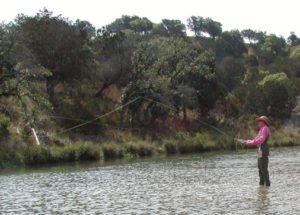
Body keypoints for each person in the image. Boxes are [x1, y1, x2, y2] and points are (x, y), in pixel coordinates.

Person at [237, 116, 271, 187]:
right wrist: (246, 141)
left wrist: (248, 142)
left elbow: (261, 140)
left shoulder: (265, 128)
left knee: (264, 169)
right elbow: (256, 139)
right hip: (260, 150)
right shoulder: (261, 129)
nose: (258, 122)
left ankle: (267, 186)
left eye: (259, 121)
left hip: (263, 150)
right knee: (260, 168)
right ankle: (262, 186)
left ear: (263, 122)